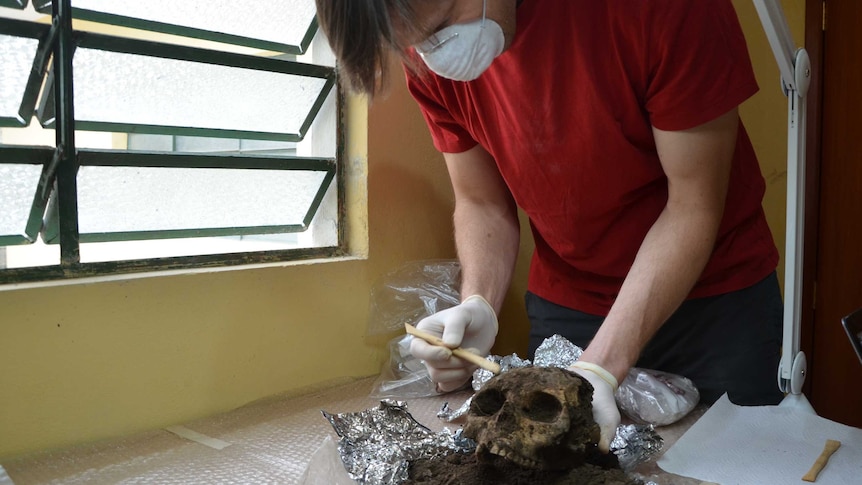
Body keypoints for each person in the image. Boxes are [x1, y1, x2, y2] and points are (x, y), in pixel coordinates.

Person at [315, 0, 785, 452]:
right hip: (569, 306)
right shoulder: (431, 64)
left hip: (715, 308)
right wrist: (478, 303)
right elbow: (481, 201)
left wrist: (600, 369)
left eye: (438, 28)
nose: (438, 54)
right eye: (415, 46)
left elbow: (693, 206)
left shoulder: (661, 9)